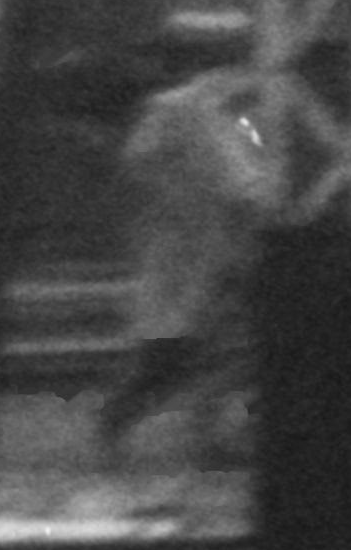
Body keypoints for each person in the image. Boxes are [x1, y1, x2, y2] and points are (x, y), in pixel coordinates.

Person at [99, 61, 277, 465]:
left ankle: (209, 437)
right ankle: (119, 421)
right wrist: (181, 204)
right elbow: (141, 161)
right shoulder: (178, 107)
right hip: (191, 253)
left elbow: (247, 186)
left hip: (227, 249)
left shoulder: (240, 118)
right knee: (175, 350)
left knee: (235, 346)